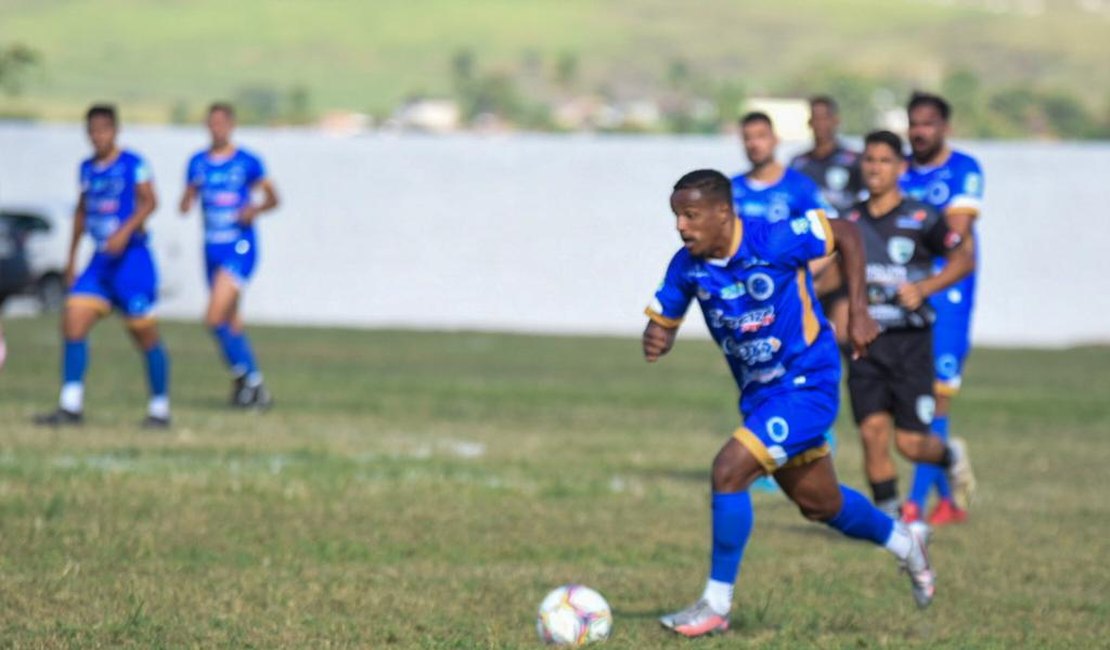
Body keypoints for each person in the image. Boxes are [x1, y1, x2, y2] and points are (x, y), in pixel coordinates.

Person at [644, 169, 949, 638]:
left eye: (690, 215)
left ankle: (716, 605)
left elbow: (846, 232)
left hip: (808, 385)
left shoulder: (775, 238)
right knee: (820, 504)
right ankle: (905, 543)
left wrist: (860, 310)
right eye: (677, 217)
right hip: (761, 398)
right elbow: (665, 314)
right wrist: (658, 334)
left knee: (729, 469)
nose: (682, 226)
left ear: (723, 214)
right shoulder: (686, 266)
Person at [846, 130, 976, 520]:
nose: (875, 168)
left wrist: (925, 287)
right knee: (871, 434)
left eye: (885, 161)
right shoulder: (849, 220)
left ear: (901, 168)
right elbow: (829, 270)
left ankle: (951, 454)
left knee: (909, 443)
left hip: (910, 343)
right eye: (869, 159)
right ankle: (890, 524)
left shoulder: (922, 216)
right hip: (866, 342)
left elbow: (963, 259)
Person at [35, 104, 171, 427]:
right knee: (73, 320)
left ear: (115, 130)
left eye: (103, 130)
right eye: (92, 131)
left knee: (145, 335)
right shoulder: (87, 169)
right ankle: (70, 405)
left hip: (132, 263)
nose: (97, 137)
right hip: (99, 264)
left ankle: (159, 408)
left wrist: (125, 230)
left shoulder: (133, 164)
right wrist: (71, 259)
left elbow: (150, 200)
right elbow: (82, 213)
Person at [733, 111, 840, 492]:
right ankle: (767, 452)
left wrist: (805, 278)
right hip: (747, 307)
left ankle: (811, 447)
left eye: (760, 136)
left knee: (796, 370)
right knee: (756, 375)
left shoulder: (799, 188)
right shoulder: (732, 191)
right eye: (747, 137)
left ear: (774, 139)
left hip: (790, 305)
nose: (753, 143)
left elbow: (829, 238)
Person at [898, 92, 984, 525]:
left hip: (948, 299)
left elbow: (955, 232)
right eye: (913, 122)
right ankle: (949, 492)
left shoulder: (964, 170)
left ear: (944, 127)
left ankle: (914, 505)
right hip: (904, 297)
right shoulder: (900, 172)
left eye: (927, 123)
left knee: (935, 400)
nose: (919, 131)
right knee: (909, 403)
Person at [179, 102, 279, 408]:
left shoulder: (248, 161)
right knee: (231, 323)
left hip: (240, 247)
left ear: (231, 126)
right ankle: (247, 386)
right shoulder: (197, 162)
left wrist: (255, 209)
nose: (216, 128)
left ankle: (252, 382)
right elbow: (186, 203)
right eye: (212, 123)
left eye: (222, 123)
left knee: (213, 317)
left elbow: (273, 198)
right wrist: (188, 196)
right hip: (211, 248)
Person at [789, 96, 864, 344]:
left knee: (844, 334)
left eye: (825, 117)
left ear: (836, 120)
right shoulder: (798, 165)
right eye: (815, 118)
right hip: (810, 253)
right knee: (803, 333)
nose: (820, 124)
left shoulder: (854, 161)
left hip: (843, 253)